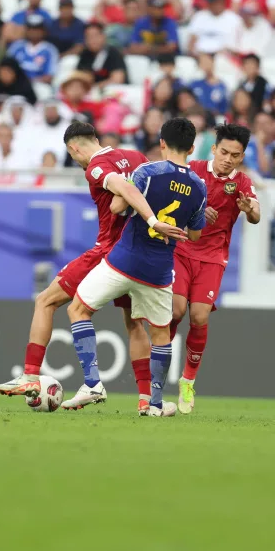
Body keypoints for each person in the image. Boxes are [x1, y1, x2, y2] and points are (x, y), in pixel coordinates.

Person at [0, 121, 185, 415]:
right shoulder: (134, 157)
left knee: (47, 300)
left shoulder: (95, 167)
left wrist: (147, 217)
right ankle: (146, 400)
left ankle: (33, 376)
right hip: (142, 253)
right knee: (134, 323)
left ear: (73, 148)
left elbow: (120, 187)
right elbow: (147, 187)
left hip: (109, 251)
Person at [64, 118, 204, 415]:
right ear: (192, 148)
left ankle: (92, 383)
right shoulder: (199, 188)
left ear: (162, 143)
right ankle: (153, 403)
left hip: (124, 260)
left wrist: (146, 212)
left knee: (78, 309)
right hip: (160, 270)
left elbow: (116, 206)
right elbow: (195, 234)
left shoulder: (147, 172)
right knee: (160, 334)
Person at [169, 124, 260, 414]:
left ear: (242, 156)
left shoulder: (242, 183)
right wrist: (193, 213)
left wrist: (248, 209)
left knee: (198, 316)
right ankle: (157, 364)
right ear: (213, 149)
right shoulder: (192, 169)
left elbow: (256, 214)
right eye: (224, 152)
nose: (228, 159)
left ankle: (187, 381)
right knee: (176, 310)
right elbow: (172, 203)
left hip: (212, 257)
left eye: (235, 155)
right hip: (182, 249)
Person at [7, 14, 59, 84]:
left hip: (39, 85)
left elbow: (49, 77)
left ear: (44, 31)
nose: (34, 32)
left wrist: (29, 82)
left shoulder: (50, 50)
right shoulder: (17, 46)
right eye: (31, 29)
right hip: (15, 84)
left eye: (37, 29)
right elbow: (6, 69)